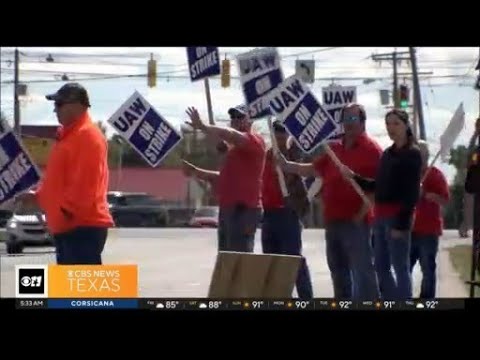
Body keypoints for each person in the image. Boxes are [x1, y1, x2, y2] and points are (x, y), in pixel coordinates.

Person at [277, 103, 381, 300]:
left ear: (362, 122)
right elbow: (314, 169)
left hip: (356, 222)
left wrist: (360, 215)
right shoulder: (334, 149)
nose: (348, 124)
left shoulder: (372, 151)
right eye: (345, 120)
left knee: (363, 272)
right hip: (333, 221)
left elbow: (377, 188)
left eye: (353, 119)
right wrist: (287, 165)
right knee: (338, 271)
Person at [15, 83, 114, 264]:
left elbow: (84, 185)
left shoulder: (87, 136)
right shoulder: (69, 136)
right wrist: (38, 197)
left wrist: (63, 213)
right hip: (70, 227)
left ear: (77, 105)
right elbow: (59, 181)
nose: (55, 110)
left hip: (80, 227)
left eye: (59, 104)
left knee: (81, 290)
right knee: (73, 289)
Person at [342, 108, 422, 300]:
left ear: (406, 125)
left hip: (397, 217)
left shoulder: (412, 154)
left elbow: (411, 193)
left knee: (400, 267)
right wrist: (354, 177)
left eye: (396, 123)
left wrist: (401, 223)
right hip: (380, 216)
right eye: (388, 124)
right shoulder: (387, 154)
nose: (391, 128)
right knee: (380, 266)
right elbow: (378, 185)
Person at [182, 105, 266, 252]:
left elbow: (230, 134)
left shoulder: (255, 141)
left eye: (240, 117)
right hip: (228, 208)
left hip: (244, 209)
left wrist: (202, 126)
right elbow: (224, 178)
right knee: (226, 257)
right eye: (233, 117)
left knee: (239, 258)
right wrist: (197, 172)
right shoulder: (231, 151)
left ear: (250, 122)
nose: (235, 120)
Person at [261, 120, 313, 299]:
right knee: (271, 261)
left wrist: (284, 164)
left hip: (287, 212)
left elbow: (295, 175)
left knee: (293, 259)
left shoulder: (293, 152)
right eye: (276, 131)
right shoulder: (267, 154)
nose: (279, 134)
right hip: (268, 213)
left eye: (283, 131)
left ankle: (306, 298)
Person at [410, 140, 450, 298]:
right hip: (409, 229)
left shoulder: (435, 175)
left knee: (428, 269)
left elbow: (445, 200)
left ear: (427, 156)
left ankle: (427, 299)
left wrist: (430, 195)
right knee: (404, 268)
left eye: (422, 155)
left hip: (429, 231)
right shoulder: (407, 175)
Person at [459, 118, 480, 238]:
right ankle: (464, 228)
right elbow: (470, 161)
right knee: (469, 208)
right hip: (473, 182)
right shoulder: (475, 148)